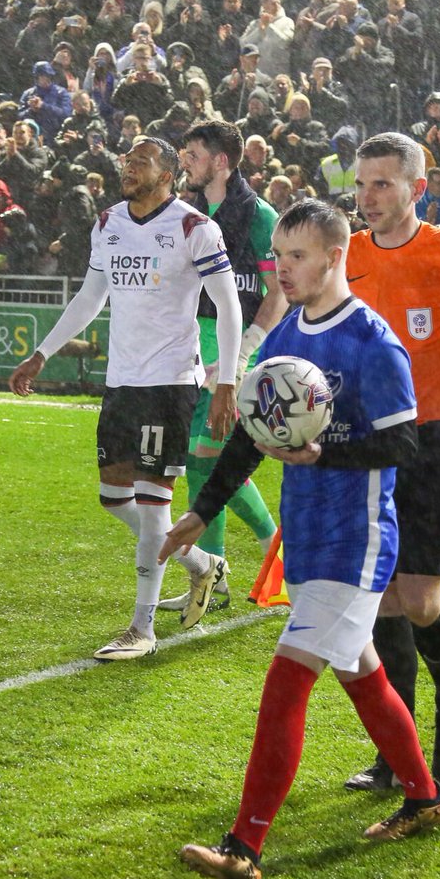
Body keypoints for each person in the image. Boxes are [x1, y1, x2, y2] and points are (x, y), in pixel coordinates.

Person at [159, 198, 440, 879]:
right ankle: (424, 796)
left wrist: (325, 458)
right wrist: (202, 511)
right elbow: (256, 432)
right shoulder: (291, 329)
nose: (282, 270)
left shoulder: (373, 343)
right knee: (363, 675)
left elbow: (405, 443)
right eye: (278, 257)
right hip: (311, 534)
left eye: (295, 257)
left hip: (358, 541)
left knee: (288, 678)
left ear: (333, 257)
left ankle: (244, 847)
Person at [9, 137, 243, 661]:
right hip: (122, 382)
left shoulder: (194, 227)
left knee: (153, 500)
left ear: (167, 175)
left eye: (140, 162)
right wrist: (42, 353)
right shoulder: (107, 222)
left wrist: (226, 379)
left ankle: (141, 627)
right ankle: (203, 564)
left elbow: (228, 307)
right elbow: (91, 296)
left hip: (170, 382)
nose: (128, 168)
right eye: (126, 160)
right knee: (114, 498)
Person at [344, 132, 440, 791]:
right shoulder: (346, 255)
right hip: (367, 443)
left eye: (383, 183)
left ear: (417, 187)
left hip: (437, 438)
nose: (369, 197)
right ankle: (397, 743)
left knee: (421, 596)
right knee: (379, 598)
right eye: (361, 184)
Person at [157, 119, 285, 615]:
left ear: (221, 161)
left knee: (205, 459)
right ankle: (251, 556)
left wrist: (245, 349)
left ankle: (221, 569)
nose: (185, 161)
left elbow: (278, 293)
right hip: (190, 348)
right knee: (202, 460)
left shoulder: (258, 216)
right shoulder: (189, 212)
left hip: (229, 353)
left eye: (193, 153)